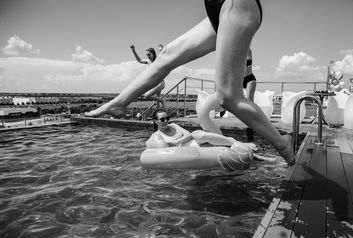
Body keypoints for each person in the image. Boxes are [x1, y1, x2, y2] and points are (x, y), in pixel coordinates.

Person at [86, 0, 295, 165]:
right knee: (166, 55)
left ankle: (282, 143)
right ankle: (120, 103)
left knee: (228, 97)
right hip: (217, 6)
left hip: (236, 5)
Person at [147, 109, 251, 149]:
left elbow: (188, 134)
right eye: (162, 119)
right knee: (218, 147)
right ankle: (241, 146)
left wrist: (176, 142)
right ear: (156, 121)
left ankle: (236, 142)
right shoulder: (157, 136)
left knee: (201, 135)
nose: (166, 121)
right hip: (188, 149)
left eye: (167, 118)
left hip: (195, 140)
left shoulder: (173, 125)